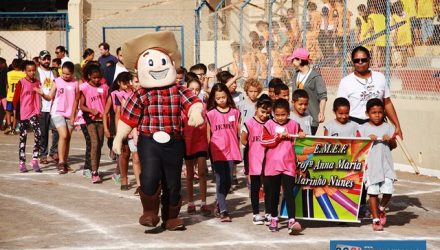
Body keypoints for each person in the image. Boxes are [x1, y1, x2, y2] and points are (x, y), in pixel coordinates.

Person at [113, 31, 204, 231]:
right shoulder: (141, 94)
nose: (159, 67)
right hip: (149, 141)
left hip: (174, 141)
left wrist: (196, 111)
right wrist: (118, 138)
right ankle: (150, 212)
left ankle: (171, 217)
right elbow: (128, 117)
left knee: (173, 182)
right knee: (150, 176)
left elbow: (193, 102)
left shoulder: (179, 89)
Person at [337, 46, 403, 139]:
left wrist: (397, 125)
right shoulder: (346, 81)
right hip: (355, 127)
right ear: (352, 61)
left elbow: (387, 103)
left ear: (369, 59)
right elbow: (340, 108)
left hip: (377, 125)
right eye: (356, 60)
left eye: (363, 59)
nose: (360, 62)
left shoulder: (380, 77)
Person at [261, 98, 304, 234]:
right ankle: (274, 217)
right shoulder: (268, 124)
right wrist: (278, 137)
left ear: (288, 113)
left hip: (289, 164)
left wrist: (302, 135)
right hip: (273, 164)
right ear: (273, 113)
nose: (280, 117)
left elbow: (301, 139)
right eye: (277, 114)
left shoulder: (294, 124)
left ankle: (292, 220)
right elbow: (264, 141)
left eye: (283, 114)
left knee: (289, 193)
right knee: (274, 193)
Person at [356, 98, 397, 231]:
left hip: (386, 166)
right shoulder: (362, 129)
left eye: (380, 112)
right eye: (374, 112)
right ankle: (375, 220)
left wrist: (389, 140)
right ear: (367, 113)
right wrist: (366, 141)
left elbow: (393, 145)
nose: (377, 115)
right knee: (372, 193)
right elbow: (356, 148)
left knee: (388, 191)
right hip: (371, 167)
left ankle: (381, 208)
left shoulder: (389, 128)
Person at [206, 83, 242, 222]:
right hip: (218, 151)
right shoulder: (211, 114)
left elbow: (238, 131)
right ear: (214, 99)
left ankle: (219, 203)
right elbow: (208, 134)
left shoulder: (235, 112)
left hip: (232, 149)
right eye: (218, 98)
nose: (221, 100)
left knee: (228, 181)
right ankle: (224, 210)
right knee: (220, 180)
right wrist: (208, 150)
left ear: (228, 96)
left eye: (223, 97)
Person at [38, 61, 79, 174]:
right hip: (57, 112)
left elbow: (77, 100)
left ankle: (65, 163)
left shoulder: (76, 83)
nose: (65, 76)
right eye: (63, 73)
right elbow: (50, 96)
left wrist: (73, 115)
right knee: (64, 135)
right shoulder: (57, 81)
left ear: (72, 73)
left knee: (68, 138)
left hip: (70, 113)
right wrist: (42, 94)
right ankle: (60, 162)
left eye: (68, 74)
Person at [240, 94, 272, 225]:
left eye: (267, 112)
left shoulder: (271, 123)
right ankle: (256, 213)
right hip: (254, 160)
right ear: (256, 108)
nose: (264, 115)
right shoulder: (249, 123)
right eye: (262, 111)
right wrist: (252, 147)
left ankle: (269, 212)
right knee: (255, 187)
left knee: (269, 187)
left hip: (269, 160)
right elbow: (243, 138)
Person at [182, 78, 211, 216]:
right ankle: (191, 202)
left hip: (200, 142)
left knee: (202, 172)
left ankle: (204, 202)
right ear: (186, 89)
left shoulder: (203, 106)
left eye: (197, 89)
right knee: (189, 174)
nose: (194, 92)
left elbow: (207, 126)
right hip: (187, 142)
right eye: (191, 89)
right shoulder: (182, 107)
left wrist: (209, 143)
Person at [104, 72, 134, 190]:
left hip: (135, 127)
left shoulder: (135, 93)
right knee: (124, 153)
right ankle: (124, 179)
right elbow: (116, 113)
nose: (127, 85)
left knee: (136, 156)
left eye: (129, 82)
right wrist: (118, 132)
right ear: (119, 83)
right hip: (123, 126)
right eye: (124, 82)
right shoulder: (116, 94)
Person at [80, 64, 109, 183]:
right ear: (89, 76)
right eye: (94, 78)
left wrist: (106, 115)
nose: (97, 80)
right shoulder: (84, 87)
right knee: (95, 143)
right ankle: (94, 172)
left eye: (98, 78)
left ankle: (96, 167)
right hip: (90, 120)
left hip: (102, 120)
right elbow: (81, 105)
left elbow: (107, 103)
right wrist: (91, 110)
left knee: (100, 144)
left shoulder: (105, 87)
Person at [12, 61, 42, 173]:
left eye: (33, 70)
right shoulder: (21, 82)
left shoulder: (37, 82)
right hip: (23, 113)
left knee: (38, 133)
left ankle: (35, 159)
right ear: (25, 71)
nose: (32, 72)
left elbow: (38, 97)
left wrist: (38, 110)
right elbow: (15, 99)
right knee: (23, 137)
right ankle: (22, 162)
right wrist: (15, 112)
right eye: (29, 70)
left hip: (33, 112)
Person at [289, 48, 327, 135]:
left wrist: (321, 112)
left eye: (293, 60)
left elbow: (323, 96)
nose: (292, 63)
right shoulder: (295, 76)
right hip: (295, 117)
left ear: (299, 60)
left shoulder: (316, 77)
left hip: (311, 118)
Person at [36, 50, 59, 165]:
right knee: (43, 133)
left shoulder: (54, 72)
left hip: (53, 106)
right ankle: (43, 154)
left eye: (48, 58)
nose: (46, 61)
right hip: (42, 107)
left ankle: (54, 152)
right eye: (44, 58)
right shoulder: (36, 72)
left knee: (57, 130)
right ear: (39, 60)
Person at [5, 58, 25, 135]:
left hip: (10, 96)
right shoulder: (24, 74)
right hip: (19, 97)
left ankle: (9, 125)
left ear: (13, 65)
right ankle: (14, 128)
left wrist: (7, 93)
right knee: (16, 112)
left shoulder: (9, 73)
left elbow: (7, 86)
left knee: (8, 111)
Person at [391, 1, 413, 67]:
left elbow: (396, 27)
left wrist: (394, 36)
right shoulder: (397, 16)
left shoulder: (399, 15)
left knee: (405, 48)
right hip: (403, 35)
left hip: (403, 34)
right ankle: (407, 63)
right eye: (397, 7)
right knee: (405, 48)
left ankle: (408, 63)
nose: (398, 8)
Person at [0, 57, 7, 131]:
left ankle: (3, 123)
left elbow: (6, 84)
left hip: (4, 94)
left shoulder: (5, 71)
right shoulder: (5, 71)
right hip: (3, 94)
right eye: (4, 63)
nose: (5, 64)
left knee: (7, 110)